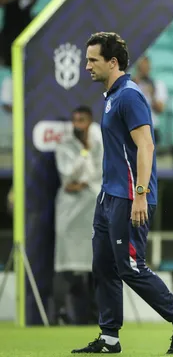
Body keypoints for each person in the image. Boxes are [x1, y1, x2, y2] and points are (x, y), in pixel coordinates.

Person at [73, 32, 173, 355]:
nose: (86, 65)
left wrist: (141, 194)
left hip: (131, 197)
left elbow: (146, 145)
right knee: (104, 266)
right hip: (109, 196)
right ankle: (109, 337)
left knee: (130, 267)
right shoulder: (112, 96)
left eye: (93, 60)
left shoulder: (129, 96)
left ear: (112, 62)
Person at [53, 105, 102, 325]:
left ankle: (97, 317)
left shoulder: (101, 143)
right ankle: (60, 314)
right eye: (75, 120)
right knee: (67, 265)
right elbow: (68, 176)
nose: (77, 125)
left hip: (92, 209)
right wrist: (83, 152)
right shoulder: (64, 146)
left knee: (95, 266)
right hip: (70, 212)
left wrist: (81, 183)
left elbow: (101, 173)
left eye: (81, 120)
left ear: (90, 121)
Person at [132, 57, 167, 142]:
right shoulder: (130, 84)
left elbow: (160, 109)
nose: (144, 70)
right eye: (141, 67)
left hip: (151, 126)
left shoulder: (158, 85)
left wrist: (153, 94)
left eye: (146, 67)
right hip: (132, 126)